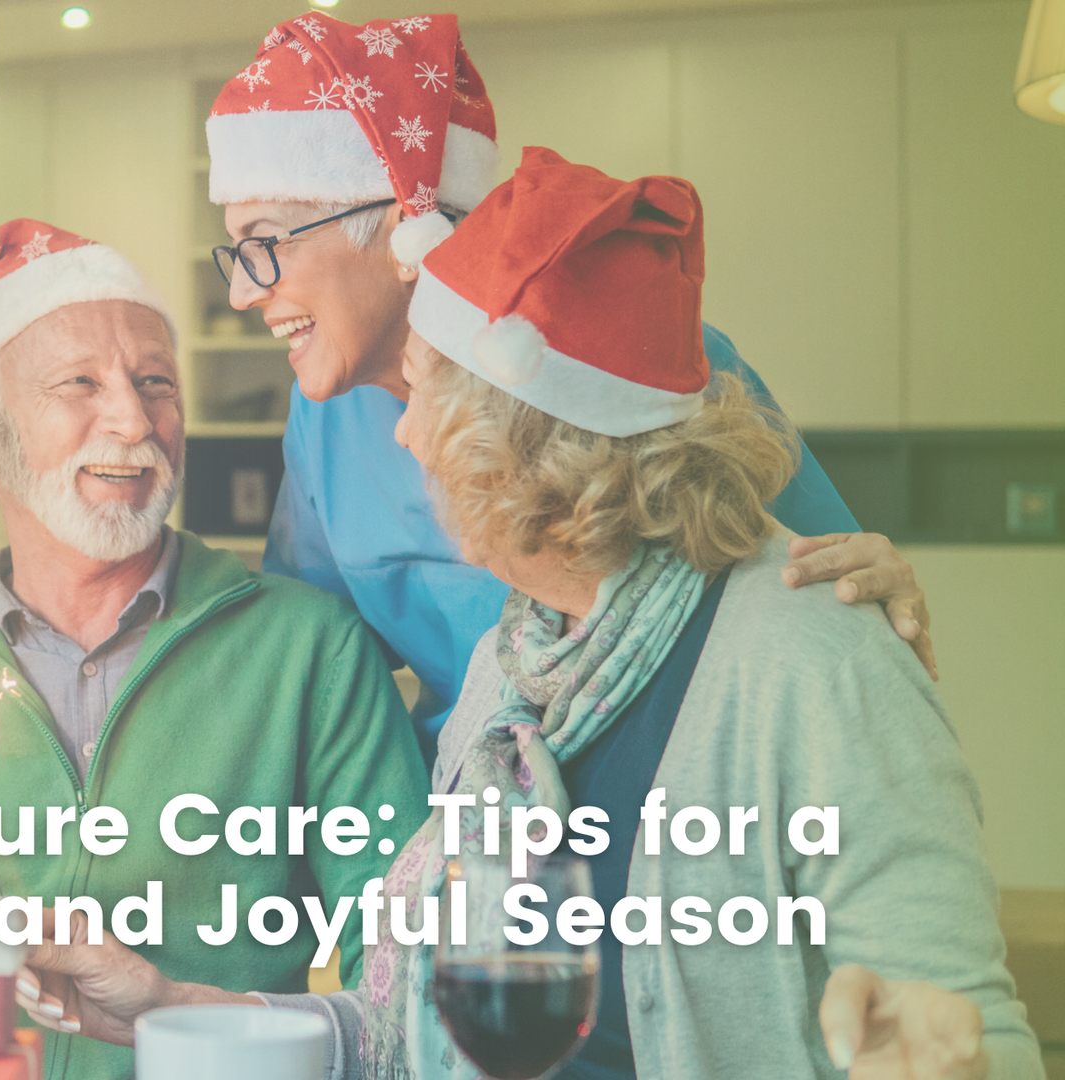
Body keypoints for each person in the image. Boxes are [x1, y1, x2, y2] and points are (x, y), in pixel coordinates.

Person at [12, 153, 1041, 1080]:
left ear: (530, 441)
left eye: (426, 397)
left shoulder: (815, 659)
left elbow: (961, 1032)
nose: (403, 436)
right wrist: (168, 1006)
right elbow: (404, 1034)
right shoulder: (514, 678)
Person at [0, 220, 430, 1079]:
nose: (133, 419)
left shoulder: (312, 652)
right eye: (79, 383)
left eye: (156, 382)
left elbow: (414, 995)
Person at [201, 11, 936, 750]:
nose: (242, 293)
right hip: (469, 802)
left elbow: (828, 584)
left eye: (264, 243)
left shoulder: (626, 363)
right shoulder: (323, 416)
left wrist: (867, 600)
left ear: (400, 230)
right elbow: (312, 655)